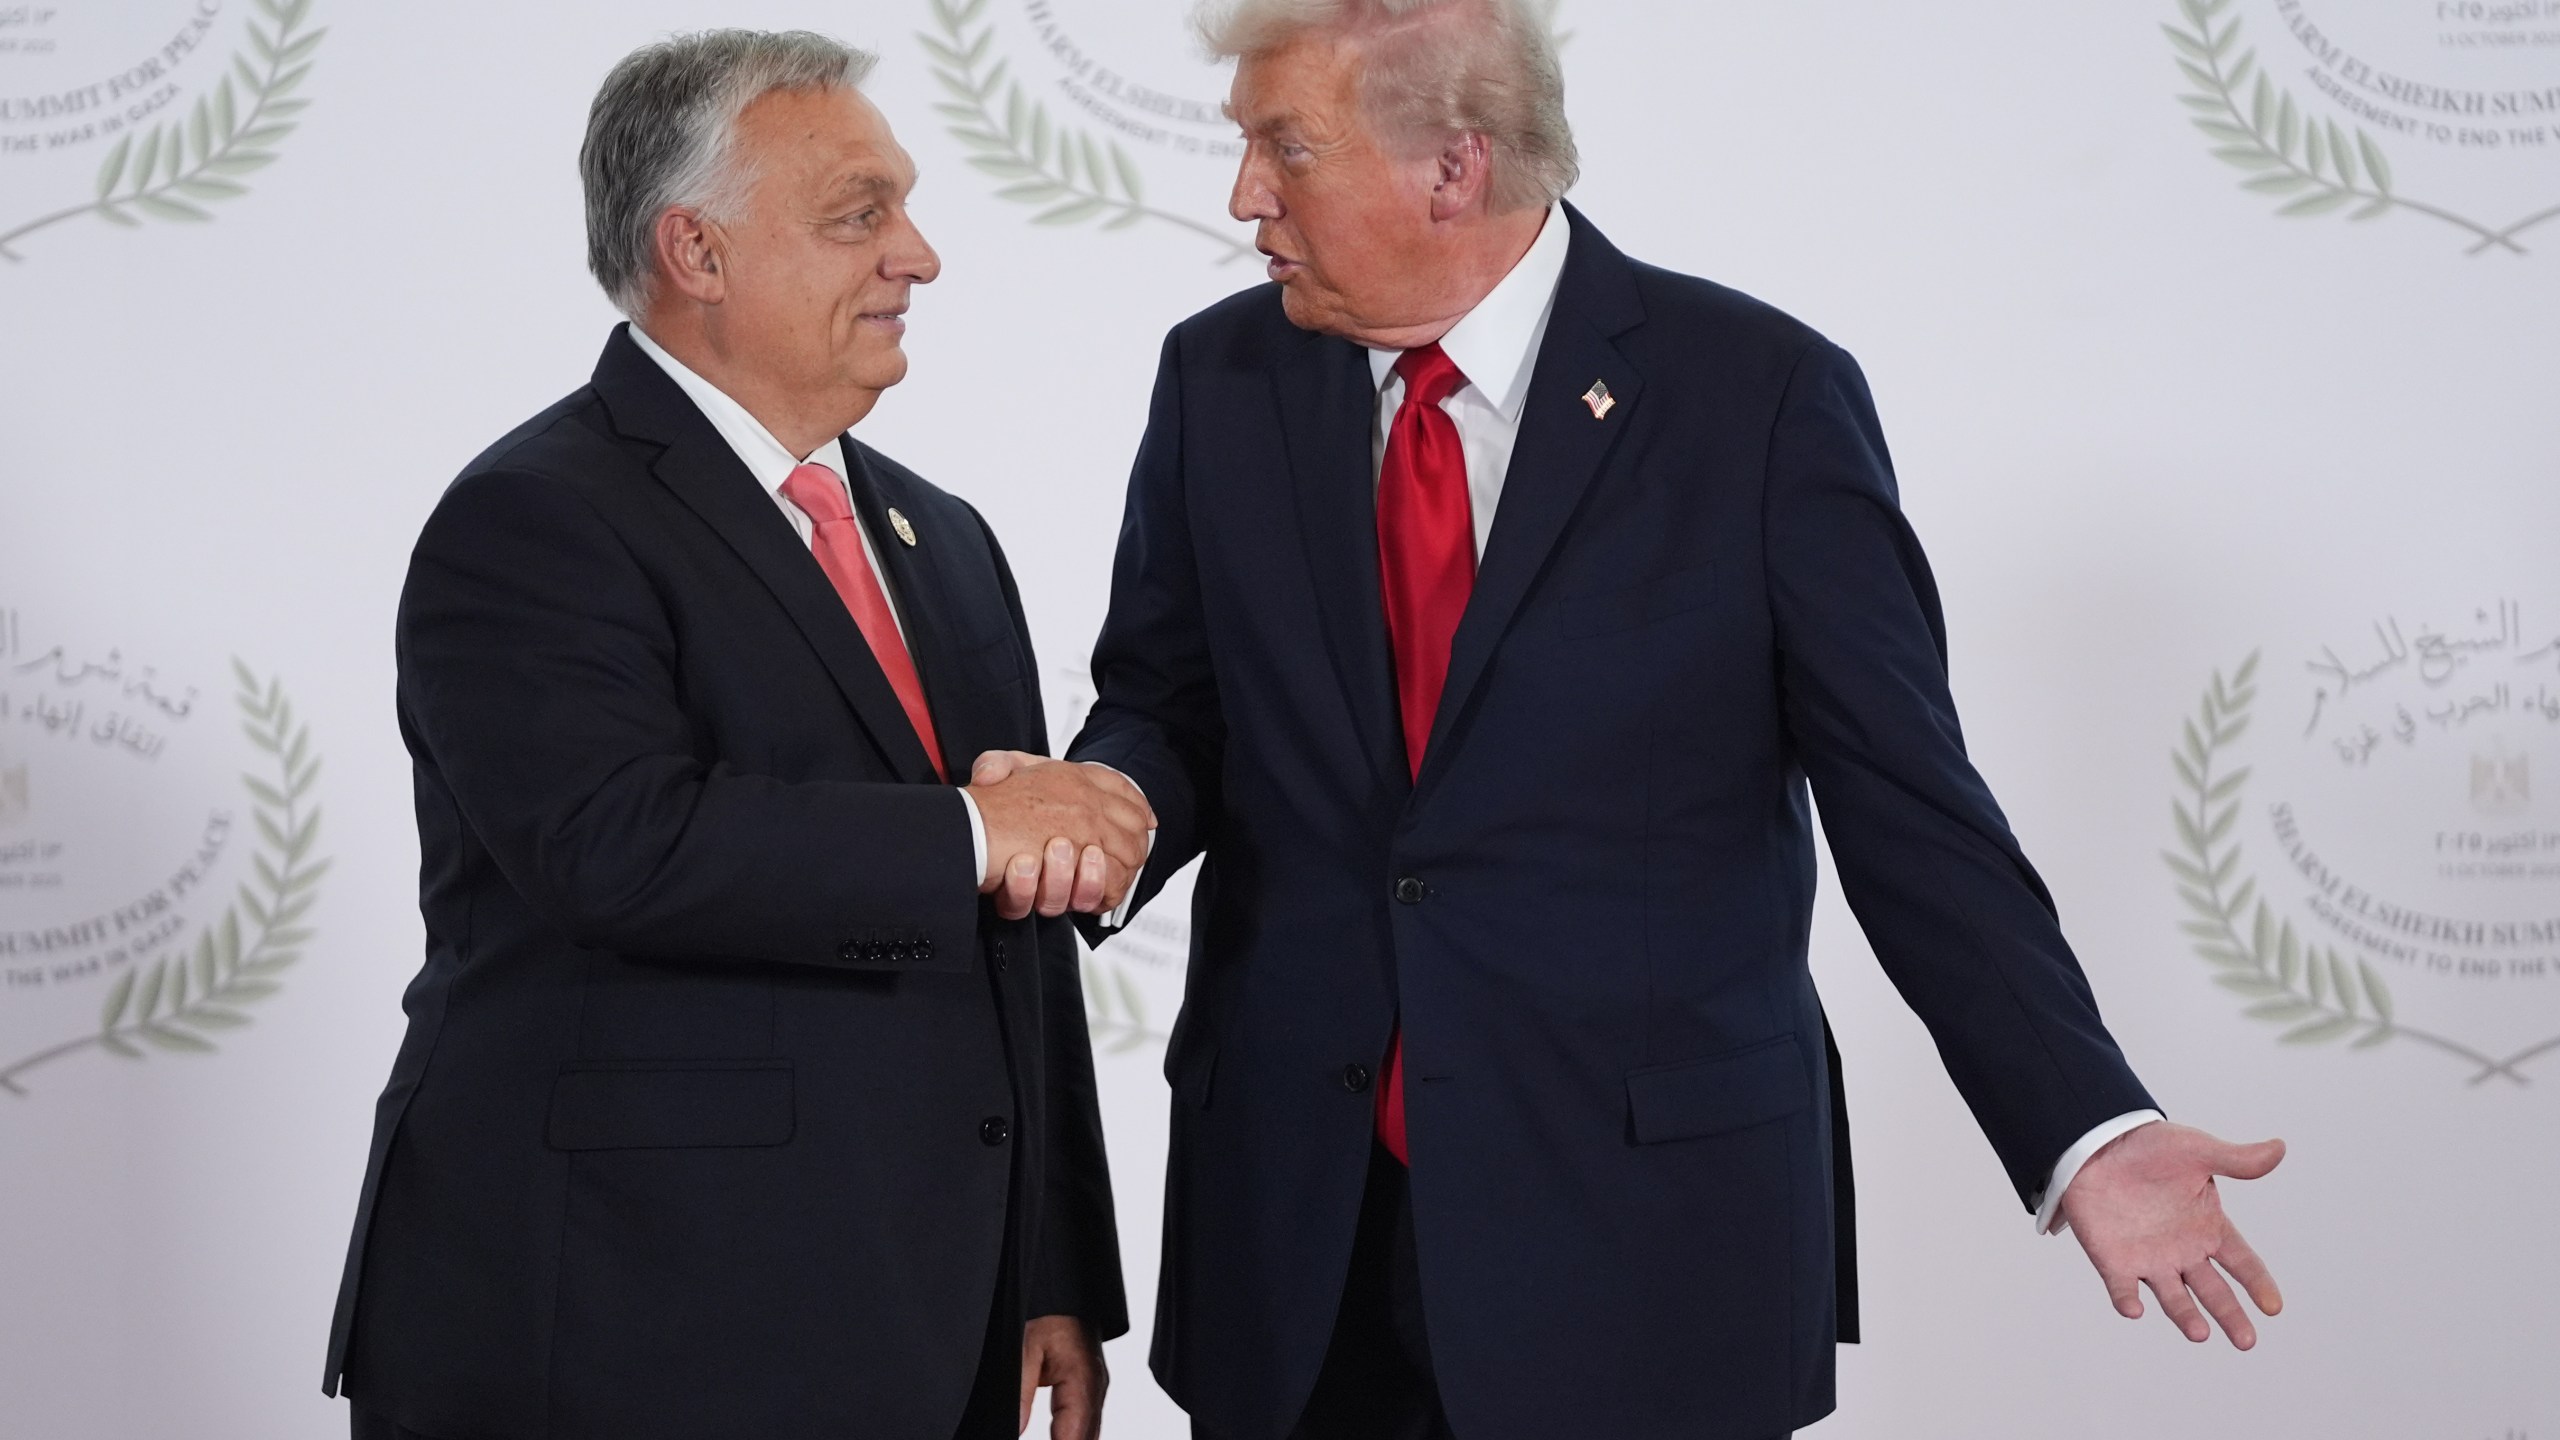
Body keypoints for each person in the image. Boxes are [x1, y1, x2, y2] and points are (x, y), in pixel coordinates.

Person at [980, 1, 2288, 1436]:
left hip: (1650, 1243)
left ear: (1453, 169)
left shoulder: (1761, 399)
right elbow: (1171, 703)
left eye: (1285, 149)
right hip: (1300, 1240)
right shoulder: (1219, 378)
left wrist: (2082, 1128)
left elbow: (1910, 807)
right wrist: (1113, 803)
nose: (1244, 198)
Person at [319, 30, 1148, 1440]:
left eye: (906, 205)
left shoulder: (941, 542)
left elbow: (1009, 939)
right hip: (618, 1325)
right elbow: (612, 845)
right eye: (858, 215)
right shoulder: (536, 517)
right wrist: (967, 828)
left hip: (921, 1319)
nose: (920, 256)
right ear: (695, 251)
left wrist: (1049, 1265)